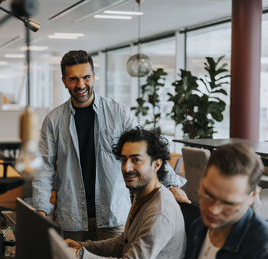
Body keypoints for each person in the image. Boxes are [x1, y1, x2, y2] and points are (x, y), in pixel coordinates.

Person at [32, 50, 189, 241]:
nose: (81, 85)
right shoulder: (54, 120)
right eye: (73, 79)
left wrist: (171, 184)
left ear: (94, 77)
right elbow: (44, 167)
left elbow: (147, 151)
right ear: (64, 81)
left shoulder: (119, 113)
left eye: (86, 77)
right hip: (72, 217)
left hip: (113, 215)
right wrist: (40, 209)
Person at [65, 127, 186, 259]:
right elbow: (124, 242)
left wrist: (80, 256)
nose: (127, 168)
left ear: (156, 164)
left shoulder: (160, 211)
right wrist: (81, 247)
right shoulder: (143, 194)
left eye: (136, 160)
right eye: (123, 160)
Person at [182, 143, 268, 259]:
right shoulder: (199, 227)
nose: (213, 210)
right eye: (208, 195)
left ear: (252, 196)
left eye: (228, 203)